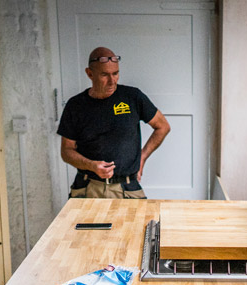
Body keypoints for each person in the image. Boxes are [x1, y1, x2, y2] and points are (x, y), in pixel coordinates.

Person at [58, 47, 171, 199]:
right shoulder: (76, 105)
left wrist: (142, 157)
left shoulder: (133, 97)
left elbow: (162, 126)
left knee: (141, 223)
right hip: (88, 187)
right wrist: (91, 165)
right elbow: (66, 151)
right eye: (104, 75)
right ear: (90, 74)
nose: (112, 81)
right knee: (80, 224)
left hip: (127, 187)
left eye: (115, 73)